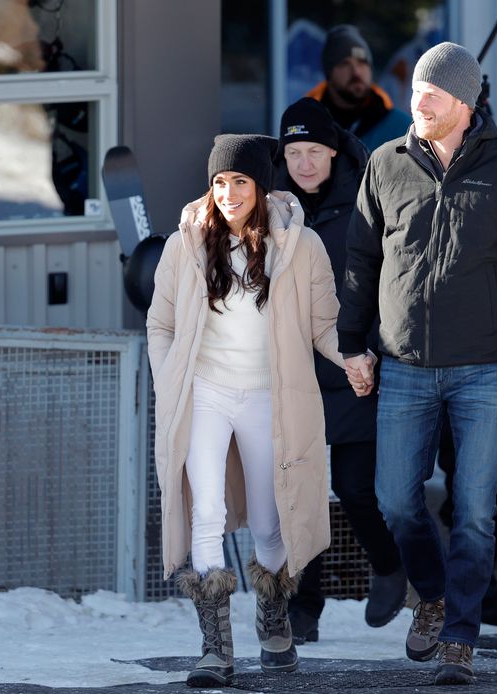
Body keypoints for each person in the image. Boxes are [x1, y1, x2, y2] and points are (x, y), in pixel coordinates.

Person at [339, 42, 497, 686]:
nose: (419, 104)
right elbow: (360, 261)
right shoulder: (384, 164)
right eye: (415, 93)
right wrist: (353, 343)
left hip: (486, 369)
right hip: (405, 363)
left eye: (432, 96)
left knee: (473, 509)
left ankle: (460, 636)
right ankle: (433, 595)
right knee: (394, 500)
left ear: (464, 103)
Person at [146, 134, 373, 688]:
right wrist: (169, 380)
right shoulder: (186, 243)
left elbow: (324, 323)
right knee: (207, 512)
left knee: (273, 524)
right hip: (204, 394)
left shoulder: (301, 245)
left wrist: (351, 357)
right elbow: (161, 323)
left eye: (239, 181)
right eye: (219, 182)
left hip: (270, 397)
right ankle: (215, 648)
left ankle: (274, 615)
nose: (227, 193)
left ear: (261, 185)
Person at [271, 97, 407, 642]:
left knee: (355, 489)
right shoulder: (271, 204)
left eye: (315, 152)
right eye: (295, 152)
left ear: (333, 152)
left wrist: (372, 349)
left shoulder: (366, 197)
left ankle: (390, 566)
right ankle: (305, 604)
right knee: (299, 494)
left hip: (355, 361)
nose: (305, 163)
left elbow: (388, 279)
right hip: (294, 370)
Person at [307, 24, 412, 152]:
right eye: (344, 63)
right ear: (329, 74)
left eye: (362, 63)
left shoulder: (402, 128)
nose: (356, 72)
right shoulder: (308, 127)